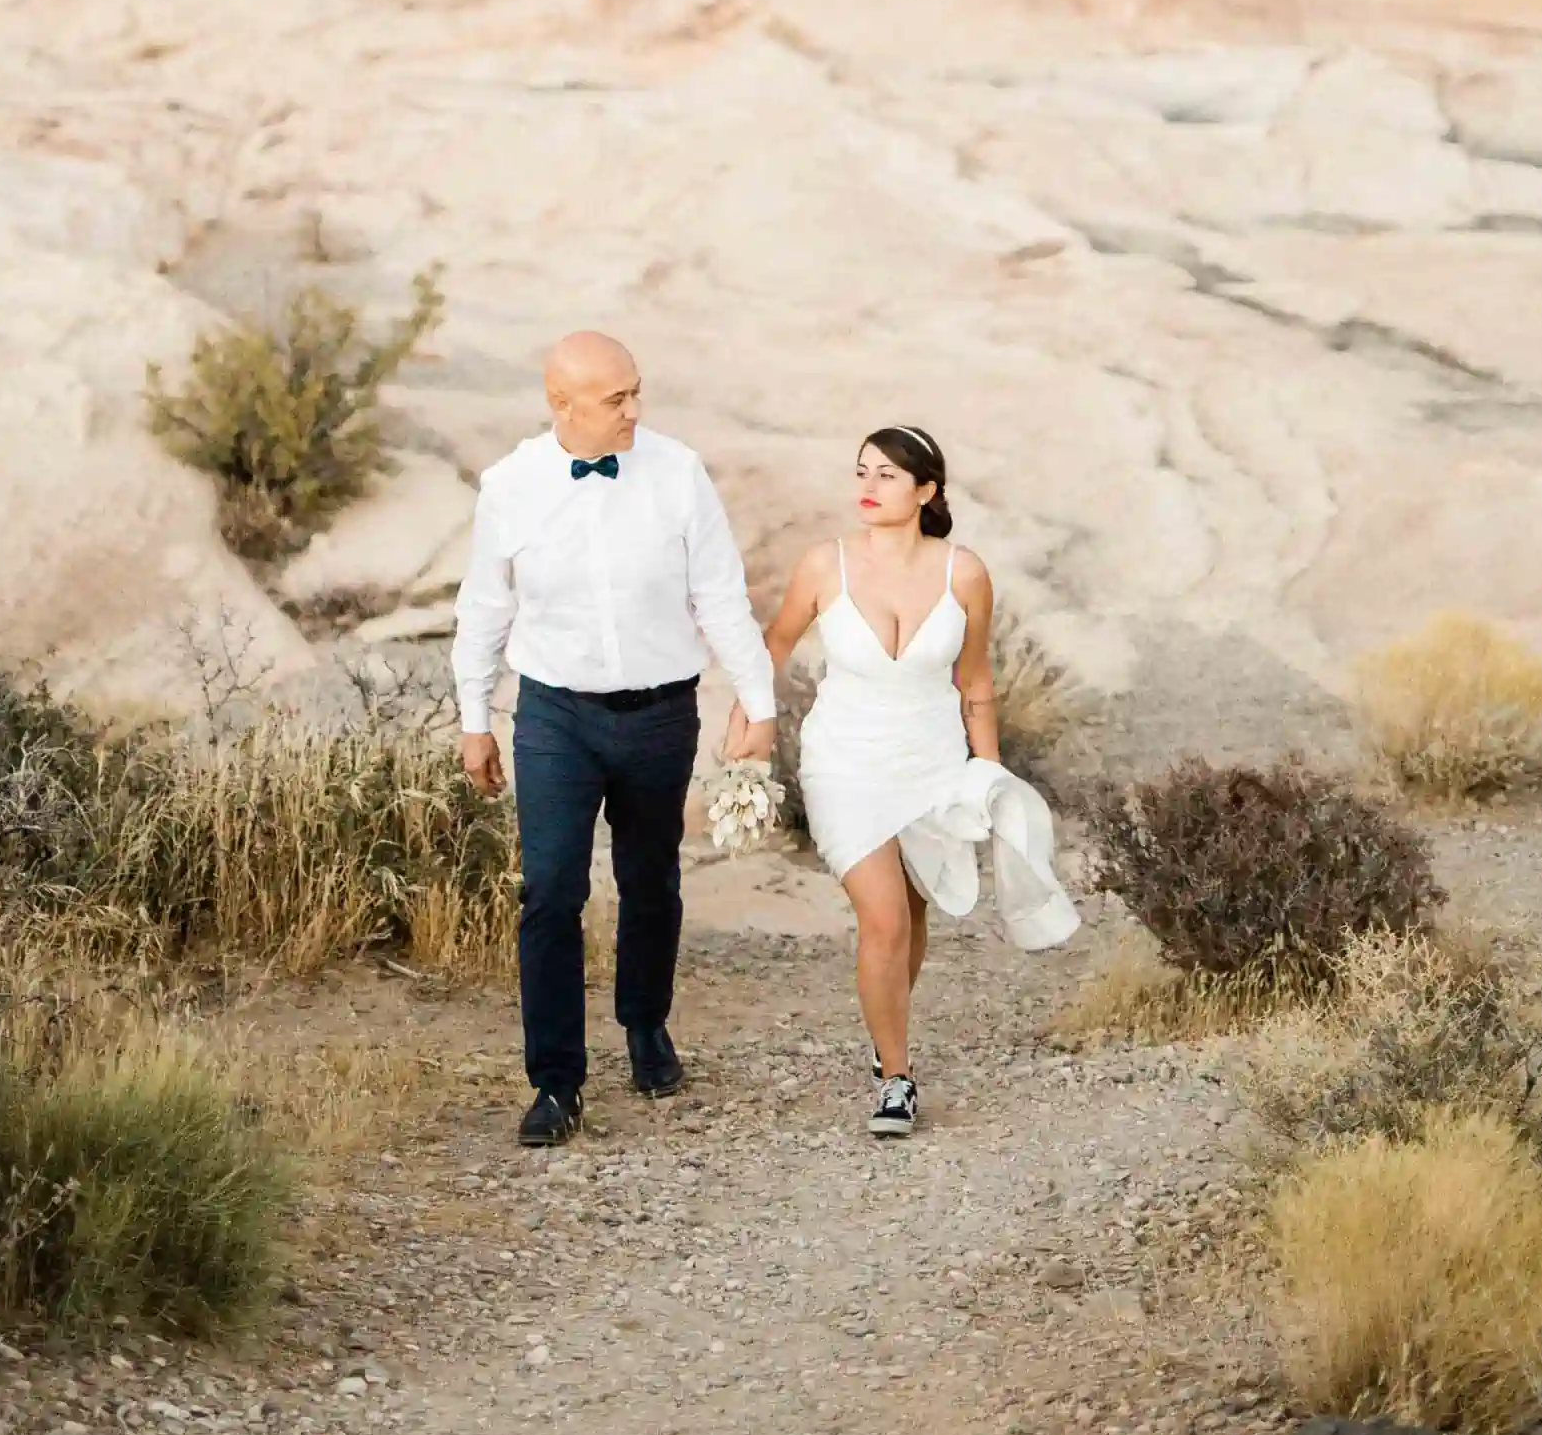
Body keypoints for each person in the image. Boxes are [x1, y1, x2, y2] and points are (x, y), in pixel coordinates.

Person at [454, 331, 777, 1146]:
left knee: (650, 880)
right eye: (616, 399)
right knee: (551, 891)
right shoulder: (511, 485)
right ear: (561, 405)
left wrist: (759, 700)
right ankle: (556, 1082)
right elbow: (485, 608)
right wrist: (473, 719)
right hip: (555, 716)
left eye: (638, 391)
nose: (636, 409)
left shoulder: (678, 472)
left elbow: (722, 596)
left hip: (663, 712)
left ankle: (644, 1025)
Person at [764, 423, 1078, 1134]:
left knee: (912, 915)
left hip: (931, 763)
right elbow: (776, 642)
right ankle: (896, 1079)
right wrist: (752, 722)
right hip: (843, 762)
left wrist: (987, 768)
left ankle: (885, 1031)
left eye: (887, 476)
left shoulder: (963, 572)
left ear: (926, 490)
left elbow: (976, 680)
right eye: (862, 472)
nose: (867, 488)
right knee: (880, 918)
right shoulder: (825, 564)